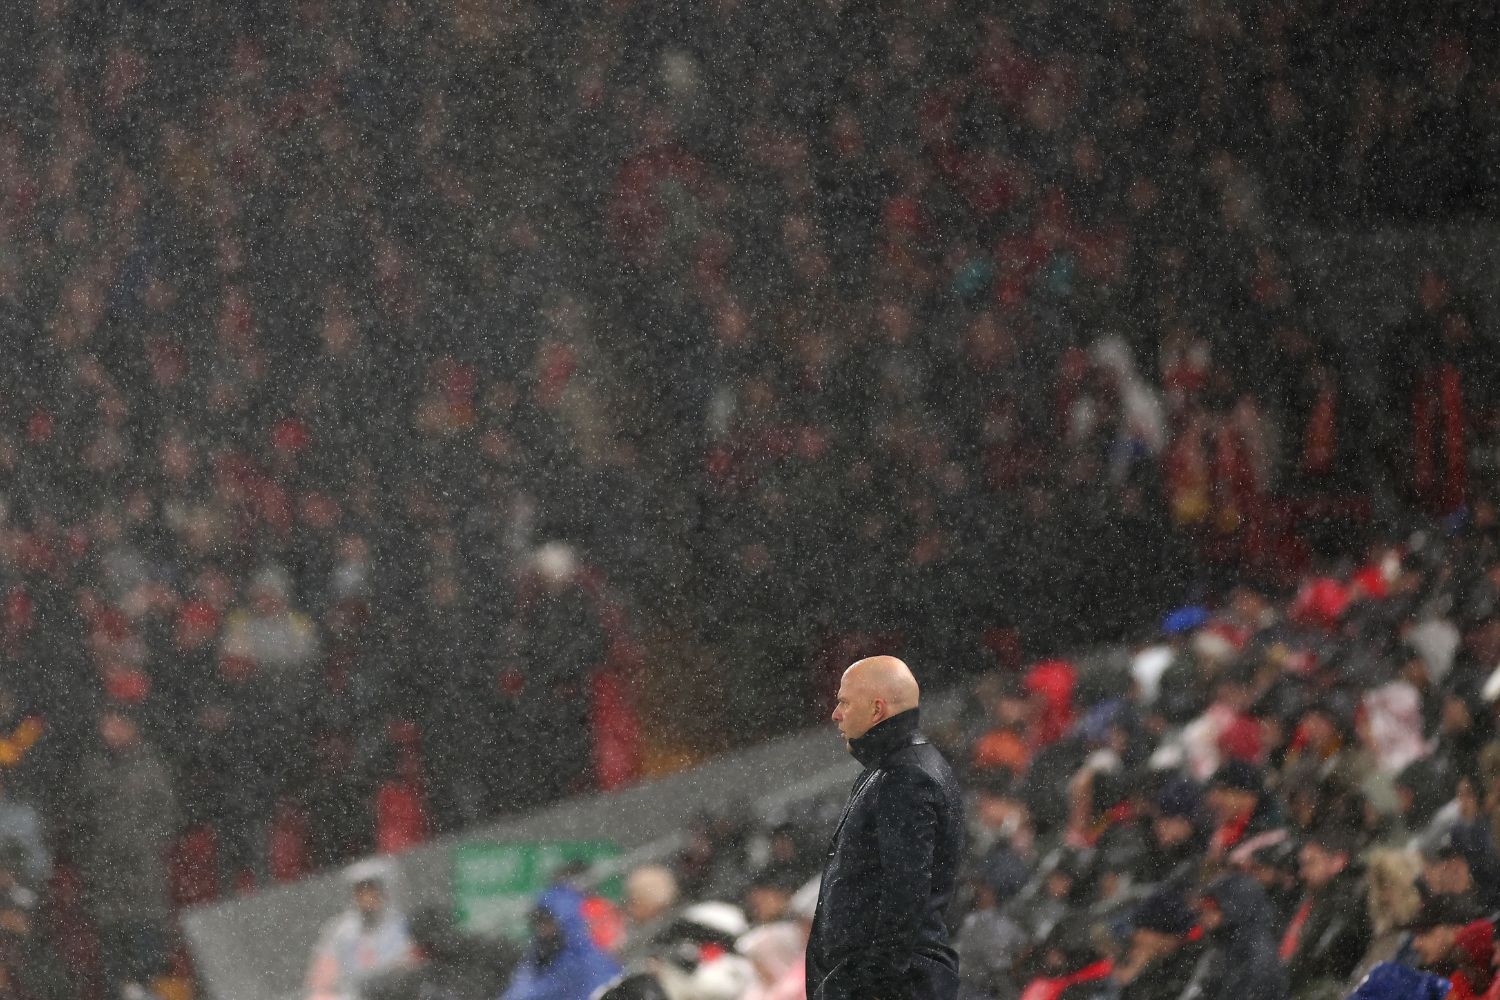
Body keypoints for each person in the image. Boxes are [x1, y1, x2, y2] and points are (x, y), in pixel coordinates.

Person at [806, 656, 964, 1000]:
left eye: (844, 702)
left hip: (898, 988)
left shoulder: (907, 777)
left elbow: (906, 893)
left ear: (877, 709)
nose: (836, 714)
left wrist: (870, 982)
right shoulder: (892, 770)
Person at [305, 860, 416, 1000]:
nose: (367, 899)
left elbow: (410, 969)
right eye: (361, 892)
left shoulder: (402, 927)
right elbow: (321, 984)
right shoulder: (341, 932)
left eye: (372, 891)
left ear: (384, 892)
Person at [501, 885, 622, 1000]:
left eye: (548, 923)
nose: (542, 931)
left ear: (568, 924)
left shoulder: (590, 964)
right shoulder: (538, 957)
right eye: (538, 923)